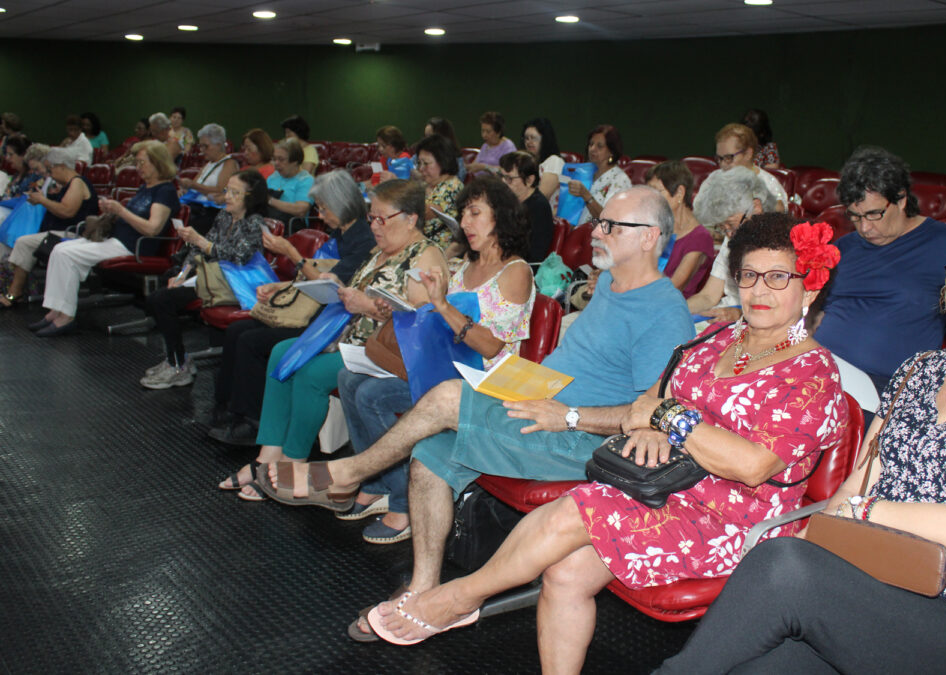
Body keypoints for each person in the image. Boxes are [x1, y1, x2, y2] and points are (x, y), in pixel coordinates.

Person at [360, 217, 848, 670]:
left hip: (733, 520)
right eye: (749, 276)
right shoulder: (720, 337)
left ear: (810, 286)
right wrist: (656, 422)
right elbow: (649, 401)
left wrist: (667, 416)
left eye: (778, 277)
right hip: (665, 487)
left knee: (579, 508)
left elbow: (752, 466)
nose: (760, 289)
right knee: (566, 573)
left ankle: (457, 599)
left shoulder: (813, 372)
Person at [254, 185, 697, 640]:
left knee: (447, 396)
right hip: (540, 403)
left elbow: (651, 414)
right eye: (600, 223)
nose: (597, 232)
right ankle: (423, 591)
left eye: (612, 226)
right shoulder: (610, 283)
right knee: (428, 450)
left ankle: (345, 474)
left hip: (579, 437)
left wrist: (566, 415)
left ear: (650, 238)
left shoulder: (662, 311)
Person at [656, 216, 946, 674]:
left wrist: (862, 513)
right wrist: (822, 531)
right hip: (877, 588)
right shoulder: (919, 373)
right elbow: (854, 486)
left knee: (785, 566)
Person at [335, 176, 535, 544]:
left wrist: (441, 304)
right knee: (350, 380)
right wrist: (419, 304)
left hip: (481, 383)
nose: (466, 223)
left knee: (371, 396)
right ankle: (377, 482)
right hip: (445, 370)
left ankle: (402, 503)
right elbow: (435, 326)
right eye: (463, 214)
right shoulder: (463, 268)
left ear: (501, 218)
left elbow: (492, 348)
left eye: (476, 213)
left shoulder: (516, 271)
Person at [219, 179, 446, 500]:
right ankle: (266, 458)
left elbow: (422, 323)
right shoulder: (380, 252)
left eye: (383, 219)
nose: (375, 227)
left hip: (387, 354)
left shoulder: (425, 257)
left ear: (411, 219)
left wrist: (365, 305)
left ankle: (292, 464)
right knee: (284, 352)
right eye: (372, 218)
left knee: (310, 374)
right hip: (352, 341)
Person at [210, 170, 374, 447]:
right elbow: (318, 275)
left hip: (330, 320)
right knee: (237, 331)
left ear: (342, 204)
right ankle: (227, 408)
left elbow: (334, 288)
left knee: (251, 342)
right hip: (314, 309)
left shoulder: (364, 241)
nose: (320, 216)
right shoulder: (342, 233)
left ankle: (252, 420)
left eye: (324, 208)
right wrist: (281, 286)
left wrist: (291, 254)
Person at [814, 146, 946, 392]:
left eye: (874, 214)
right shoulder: (844, 248)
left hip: (885, 386)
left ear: (901, 199)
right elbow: (814, 312)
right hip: (821, 369)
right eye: (854, 216)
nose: (864, 228)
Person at [27, 140, 178, 337]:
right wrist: (112, 211)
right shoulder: (146, 188)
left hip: (133, 247)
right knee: (59, 249)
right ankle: (56, 311)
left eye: (142, 163)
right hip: (116, 241)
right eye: (137, 163)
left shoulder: (165, 191)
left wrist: (121, 211)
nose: (138, 168)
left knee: (66, 255)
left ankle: (65, 317)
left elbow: (152, 228)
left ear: (158, 162)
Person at [140, 170, 267, 389]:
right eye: (227, 190)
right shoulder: (225, 217)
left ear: (250, 197)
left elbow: (239, 257)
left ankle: (178, 364)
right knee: (166, 284)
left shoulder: (254, 223)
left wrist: (201, 242)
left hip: (233, 284)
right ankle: (176, 359)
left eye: (234, 193)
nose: (226, 196)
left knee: (162, 300)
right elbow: (197, 251)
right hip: (213, 277)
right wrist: (181, 276)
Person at [1, 146, 99, 309]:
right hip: (60, 231)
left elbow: (67, 211)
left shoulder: (77, 184)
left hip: (70, 234)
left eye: (50, 169)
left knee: (23, 242)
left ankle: (14, 292)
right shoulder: (68, 185)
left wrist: (42, 200)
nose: (49, 174)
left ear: (61, 166)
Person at [688, 167, 775, 320]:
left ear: (756, 207)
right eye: (722, 228)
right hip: (728, 311)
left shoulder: (778, 244)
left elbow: (779, 306)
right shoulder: (733, 238)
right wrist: (675, 311)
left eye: (732, 225)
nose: (729, 234)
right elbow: (708, 296)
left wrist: (739, 314)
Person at [647, 160, 713, 297]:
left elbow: (674, 287)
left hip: (671, 310)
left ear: (679, 193)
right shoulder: (656, 227)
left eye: (656, 191)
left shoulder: (700, 238)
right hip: (643, 300)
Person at [695, 123, 787, 214]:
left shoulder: (768, 183)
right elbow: (697, 213)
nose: (722, 164)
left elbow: (779, 214)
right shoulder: (712, 181)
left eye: (728, 157)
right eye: (719, 158)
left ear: (748, 154)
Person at [177, 123, 240, 235]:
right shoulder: (208, 164)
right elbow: (194, 187)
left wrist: (192, 185)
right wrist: (185, 190)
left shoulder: (229, 164)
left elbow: (220, 190)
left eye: (205, 146)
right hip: (196, 208)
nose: (202, 150)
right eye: (200, 146)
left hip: (210, 213)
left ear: (219, 145)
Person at [568, 124, 632, 225]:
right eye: (591, 144)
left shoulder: (620, 180)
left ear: (612, 151)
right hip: (574, 232)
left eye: (599, 146)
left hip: (598, 237)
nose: (592, 149)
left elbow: (608, 220)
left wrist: (586, 196)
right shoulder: (584, 173)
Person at [498, 151, 553, 262]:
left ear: (529, 180)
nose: (503, 182)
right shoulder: (508, 199)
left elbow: (534, 255)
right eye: (501, 176)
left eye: (509, 179)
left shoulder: (539, 207)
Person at [414, 133, 464, 250]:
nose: (421, 169)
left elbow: (419, 213)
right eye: (419, 163)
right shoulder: (433, 185)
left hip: (440, 252)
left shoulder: (452, 189)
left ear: (443, 161)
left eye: (426, 163)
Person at [265, 138, 315, 225]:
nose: (276, 163)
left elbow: (301, 210)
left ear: (295, 161)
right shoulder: (272, 177)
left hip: (292, 228)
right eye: (274, 159)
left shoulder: (306, 180)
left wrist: (270, 200)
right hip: (269, 224)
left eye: (281, 159)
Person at [520, 117, 563, 202]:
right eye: (526, 138)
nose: (529, 142)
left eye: (533, 138)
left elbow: (542, 197)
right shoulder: (529, 162)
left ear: (545, 139)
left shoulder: (554, 161)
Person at [466, 111, 515, 175]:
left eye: (488, 132)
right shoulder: (485, 145)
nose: (484, 135)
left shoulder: (508, 147)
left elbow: (507, 171)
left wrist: (485, 167)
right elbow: (474, 165)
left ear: (498, 133)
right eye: (482, 131)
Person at [423, 116, 466, 182]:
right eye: (425, 136)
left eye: (430, 136)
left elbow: (459, 179)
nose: (426, 140)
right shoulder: (422, 153)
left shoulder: (455, 158)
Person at [1, 134, 40, 199]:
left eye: (11, 155)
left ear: (23, 155)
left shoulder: (34, 178)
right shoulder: (16, 175)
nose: (7, 158)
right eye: (7, 154)